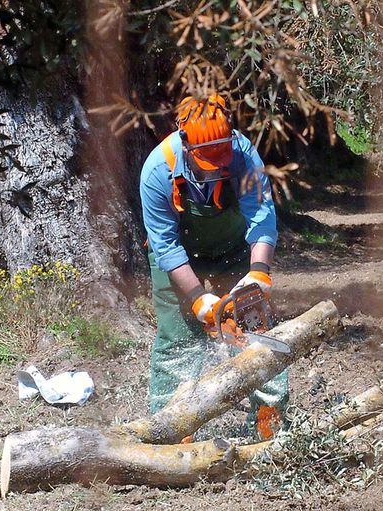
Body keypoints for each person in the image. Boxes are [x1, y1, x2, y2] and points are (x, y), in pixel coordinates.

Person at [139, 93, 288, 440]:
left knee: (256, 330)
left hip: (233, 247)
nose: (220, 169)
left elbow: (262, 216)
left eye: (224, 161)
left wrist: (259, 272)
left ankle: (271, 420)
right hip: (176, 255)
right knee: (177, 339)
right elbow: (165, 245)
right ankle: (171, 429)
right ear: (188, 147)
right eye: (211, 164)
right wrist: (197, 298)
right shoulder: (156, 171)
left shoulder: (244, 157)